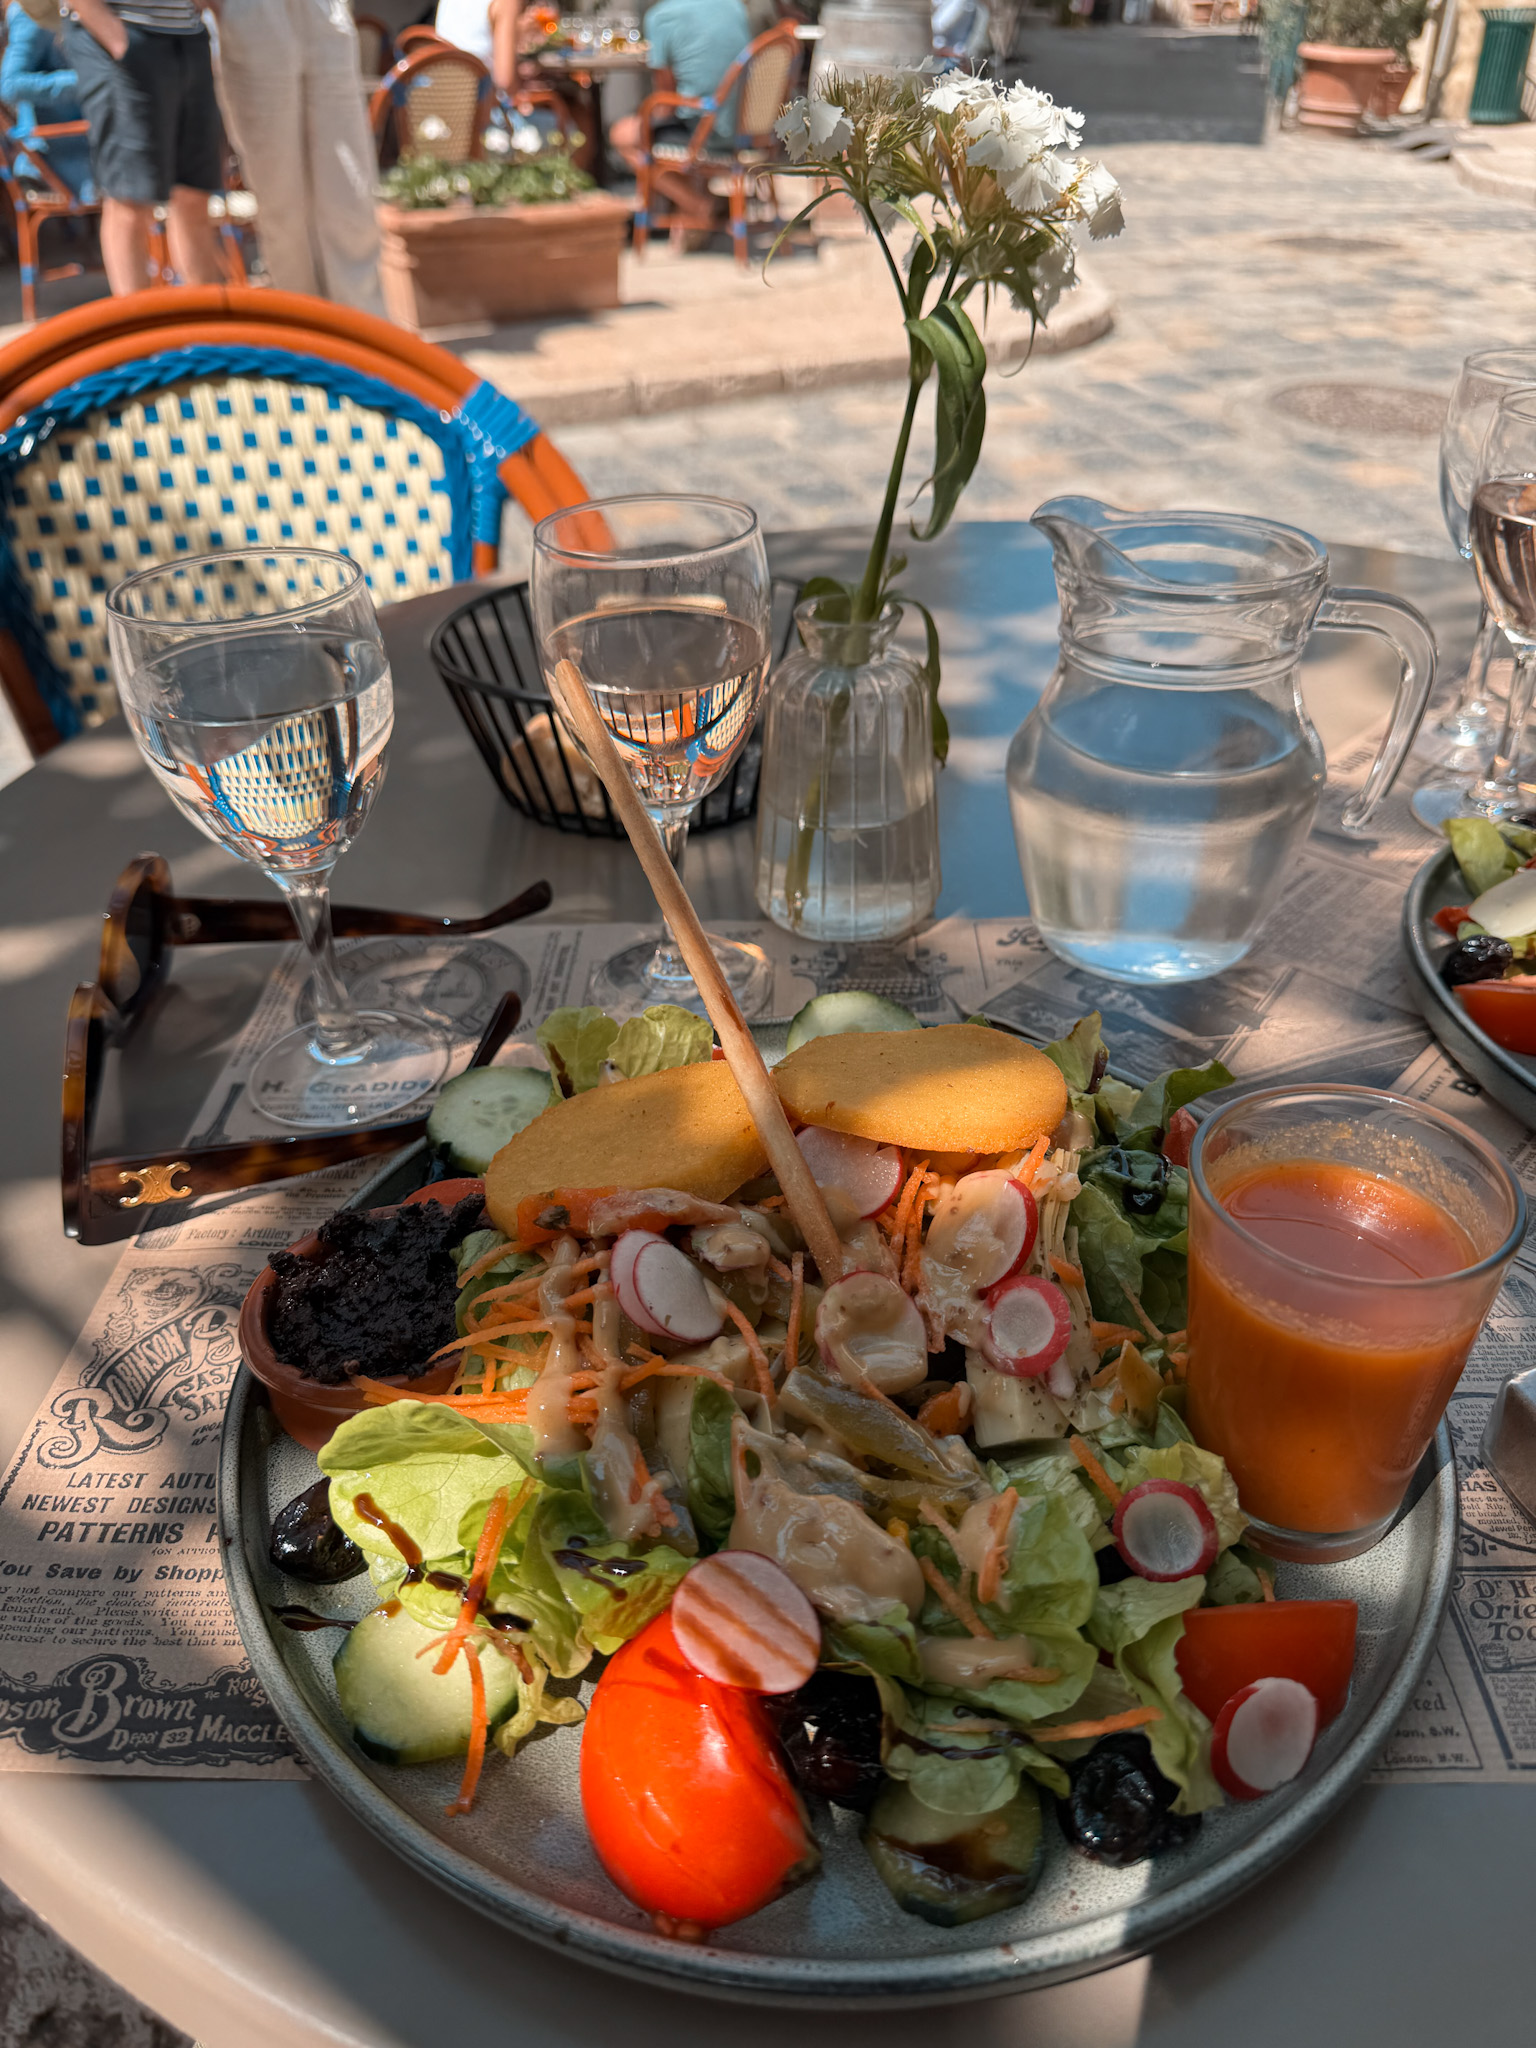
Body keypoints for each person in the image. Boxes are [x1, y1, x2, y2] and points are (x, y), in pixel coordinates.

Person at [212, 0, 384, 315]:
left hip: (322, 10)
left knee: (349, 187)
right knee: (279, 191)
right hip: (251, 11)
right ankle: (305, 326)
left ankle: (364, 327)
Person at [60, 0, 225, 292]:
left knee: (194, 193)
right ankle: (138, 329)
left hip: (187, 33)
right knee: (130, 199)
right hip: (120, 31)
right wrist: (115, 38)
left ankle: (205, 330)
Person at [611, 0, 750, 235]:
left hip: (705, 133)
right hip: (745, 129)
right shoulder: (735, 7)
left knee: (623, 135)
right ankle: (691, 212)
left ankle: (700, 205)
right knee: (665, 119)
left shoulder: (661, 17)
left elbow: (665, 100)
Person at [1, 0, 95, 198]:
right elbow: (10, 85)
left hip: (92, 143)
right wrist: (84, 81)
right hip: (60, 155)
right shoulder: (34, 11)